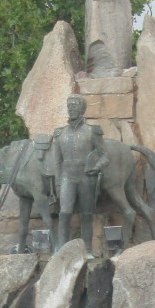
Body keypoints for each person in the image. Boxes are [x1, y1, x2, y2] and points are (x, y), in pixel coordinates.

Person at [46, 94, 108, 255]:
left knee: (86, 215)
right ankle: (62, 249)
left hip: (87, 178)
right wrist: (58, 183)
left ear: (82, 109)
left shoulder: (92, 132)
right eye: (69, 106)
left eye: (74, 105)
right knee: (64, 213)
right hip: (67, 177)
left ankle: (87, 249)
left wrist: (97, 167)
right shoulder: (60, 134)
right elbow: (57, 162)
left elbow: (105, 156)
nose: (71, 108)